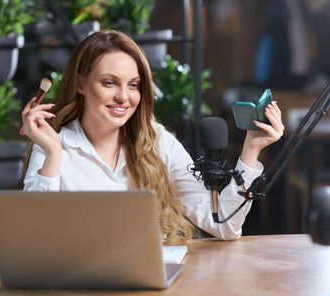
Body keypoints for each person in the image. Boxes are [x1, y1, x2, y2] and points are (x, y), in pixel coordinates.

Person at [21, 30, 284, 242]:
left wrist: (251, 148)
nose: (124, 97)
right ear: (81, 84)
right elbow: (32, 239)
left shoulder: (158, 141)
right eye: (109, 83)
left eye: (133, 85)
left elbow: (224, 225)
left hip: (149, 292)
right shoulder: (53, 147)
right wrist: (53, 154)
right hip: (79, 292)